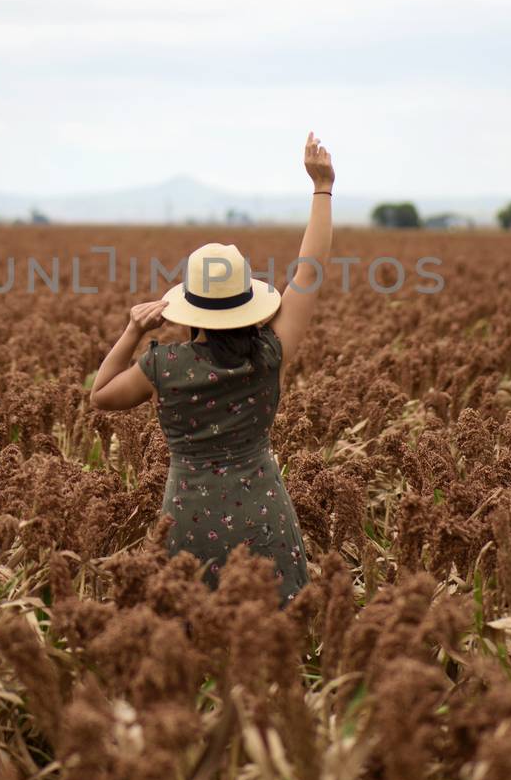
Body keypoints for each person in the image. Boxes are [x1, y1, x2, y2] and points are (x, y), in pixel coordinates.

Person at [90, 132, 335, 605]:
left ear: (188, 306)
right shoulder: (268, 354)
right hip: (264, 514)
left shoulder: (162, 365)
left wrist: (132, 331)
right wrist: (321, 188)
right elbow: (308, 272)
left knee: (191, 632)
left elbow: (101, 395)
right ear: (247, 300)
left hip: (188, 516)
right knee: (272, 634)